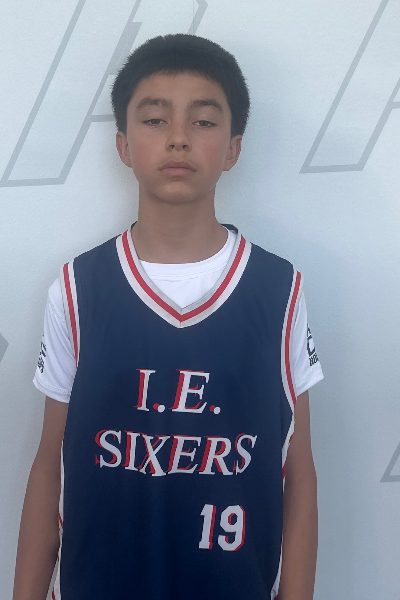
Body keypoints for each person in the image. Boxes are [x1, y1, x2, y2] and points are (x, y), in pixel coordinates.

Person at [13, 33, 324, 600]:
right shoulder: (77, 289)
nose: (179, 137)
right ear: (124, 145)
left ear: (232, 148)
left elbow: (297, 472)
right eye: (155, 120)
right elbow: (50, 461)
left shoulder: (280, 290)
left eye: (203, 121)